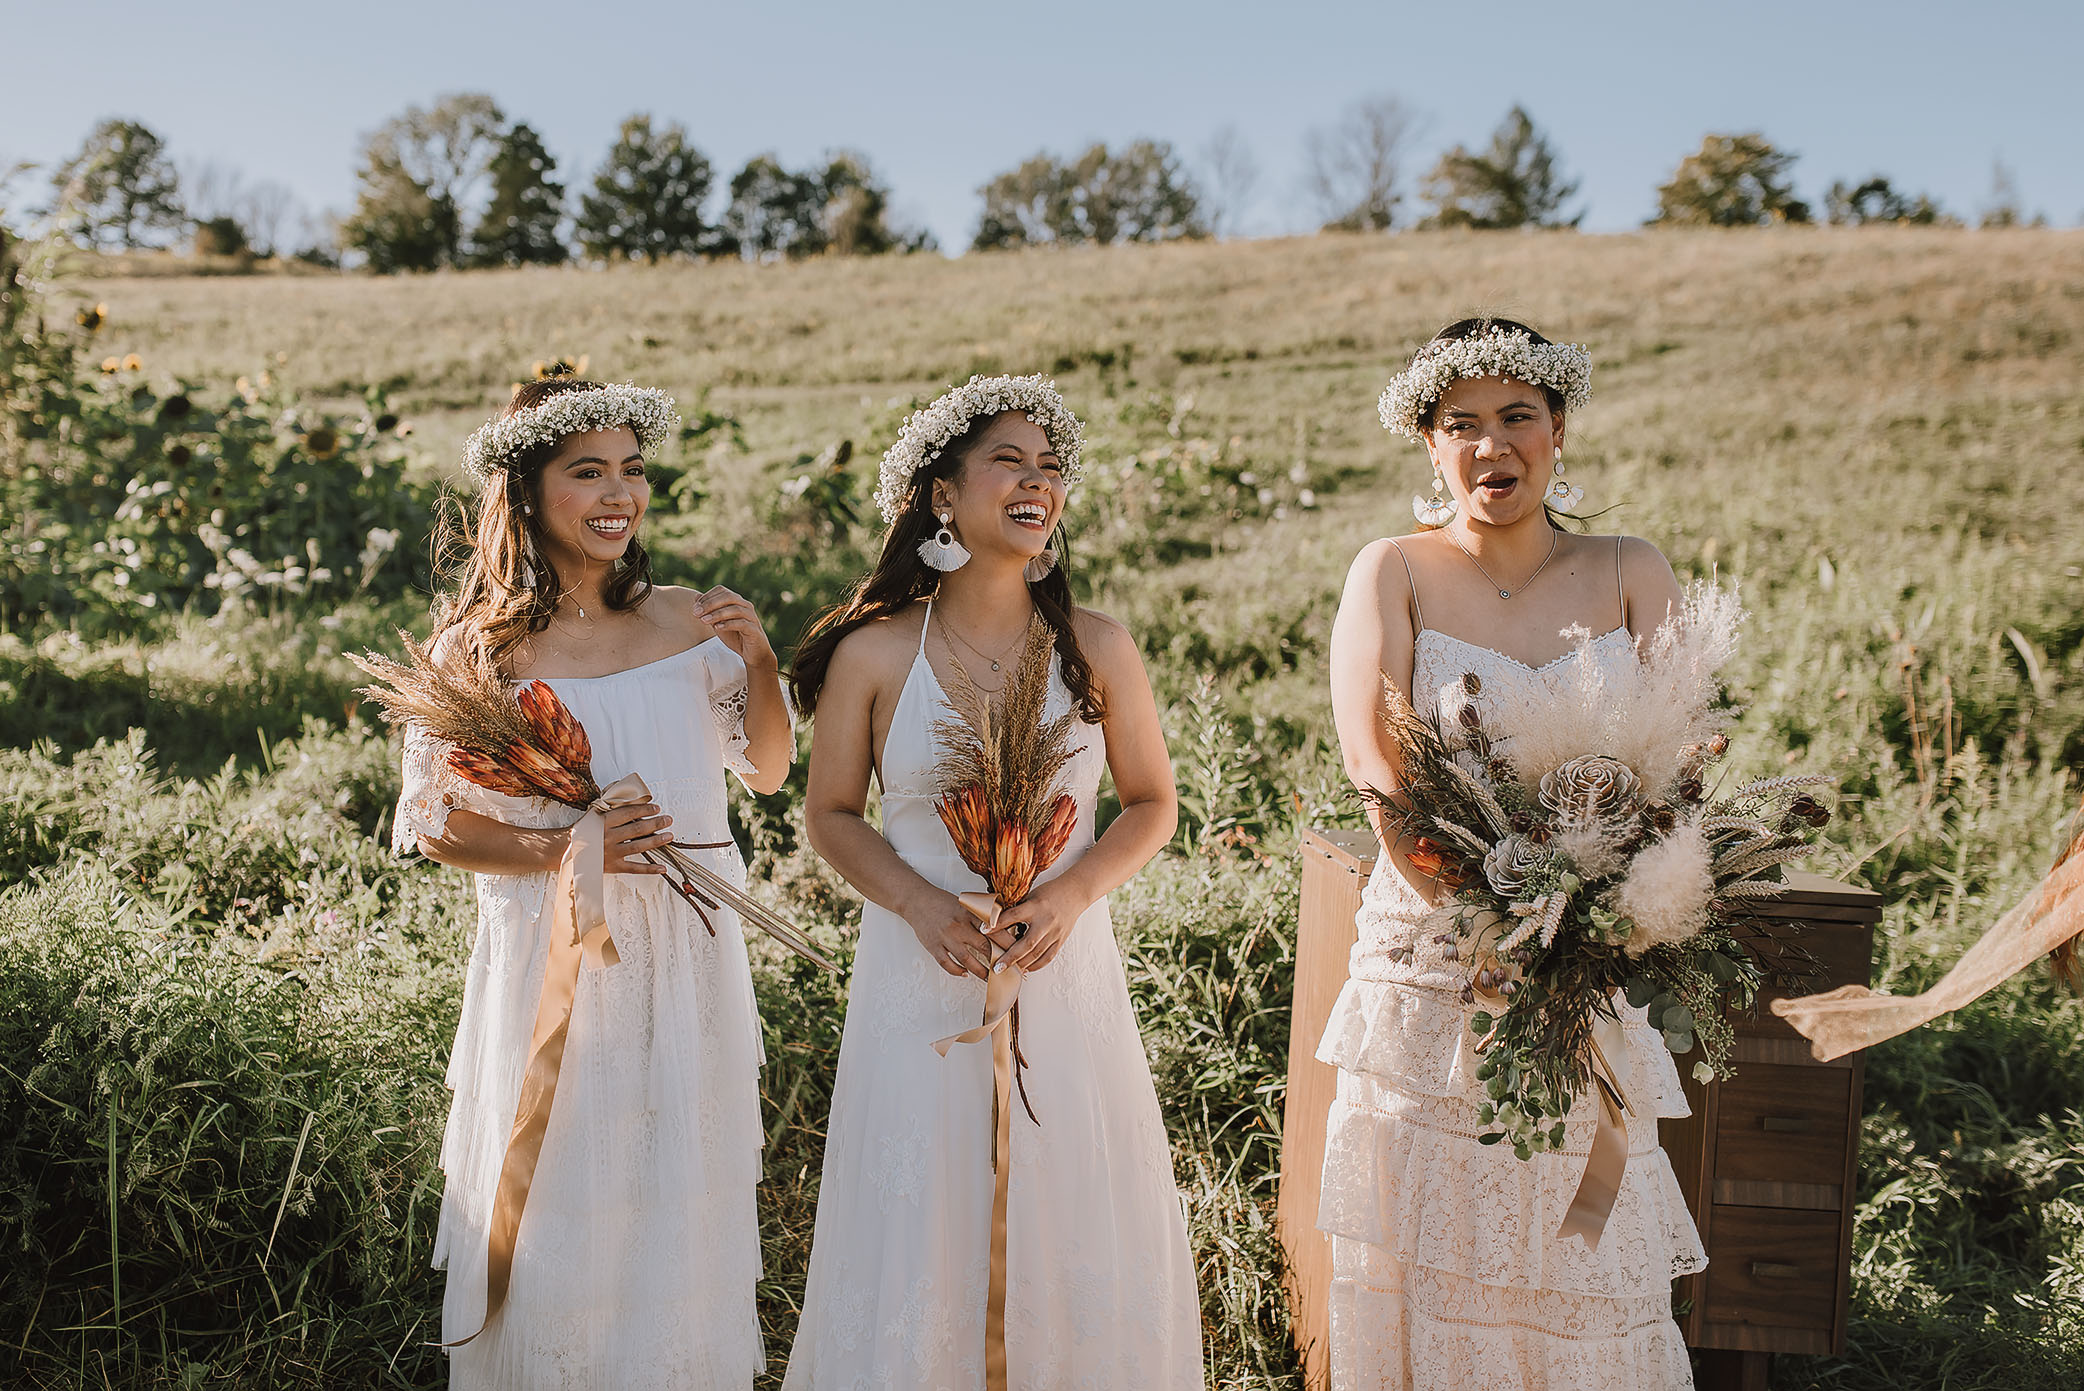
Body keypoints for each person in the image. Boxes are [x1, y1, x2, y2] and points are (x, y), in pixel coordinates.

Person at [783, 375, 1203, 1388]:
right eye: (1008, 461)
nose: (1037, 482)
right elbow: (830, 814)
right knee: (924, 1206)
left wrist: (1065, 894)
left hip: (1064, 970)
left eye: (1050, 467)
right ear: (941, 493)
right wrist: (921, 902)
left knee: (1064, 1197)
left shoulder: (1095, 646)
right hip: (917, 976)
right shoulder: (877, 652)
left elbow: (1151, 803)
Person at [1319, 321, 1706, 1389]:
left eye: (1515, 418)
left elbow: (1682, 766)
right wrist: (1484, 923)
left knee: (1576, 1256)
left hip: (1584, 956)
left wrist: (1597, 926)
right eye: (1461, 425)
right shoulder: (1390, 569)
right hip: (1433, 964)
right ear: (1428, 445)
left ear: (1558, 429)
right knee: (1435, 1251)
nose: (1491, 445)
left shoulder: (1631, 570)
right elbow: (1378, 761)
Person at [391, 377, 791, 1387]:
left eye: (632, 469)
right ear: (525, 491)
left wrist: (761, 661)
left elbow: (769, 767)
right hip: (552, 951)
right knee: (566, 1190)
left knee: (675, 1194)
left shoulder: (691, 619)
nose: (620, 493)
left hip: (689, 955)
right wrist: (574, 850)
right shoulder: (476, 649)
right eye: (587, 472)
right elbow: (433, 822)